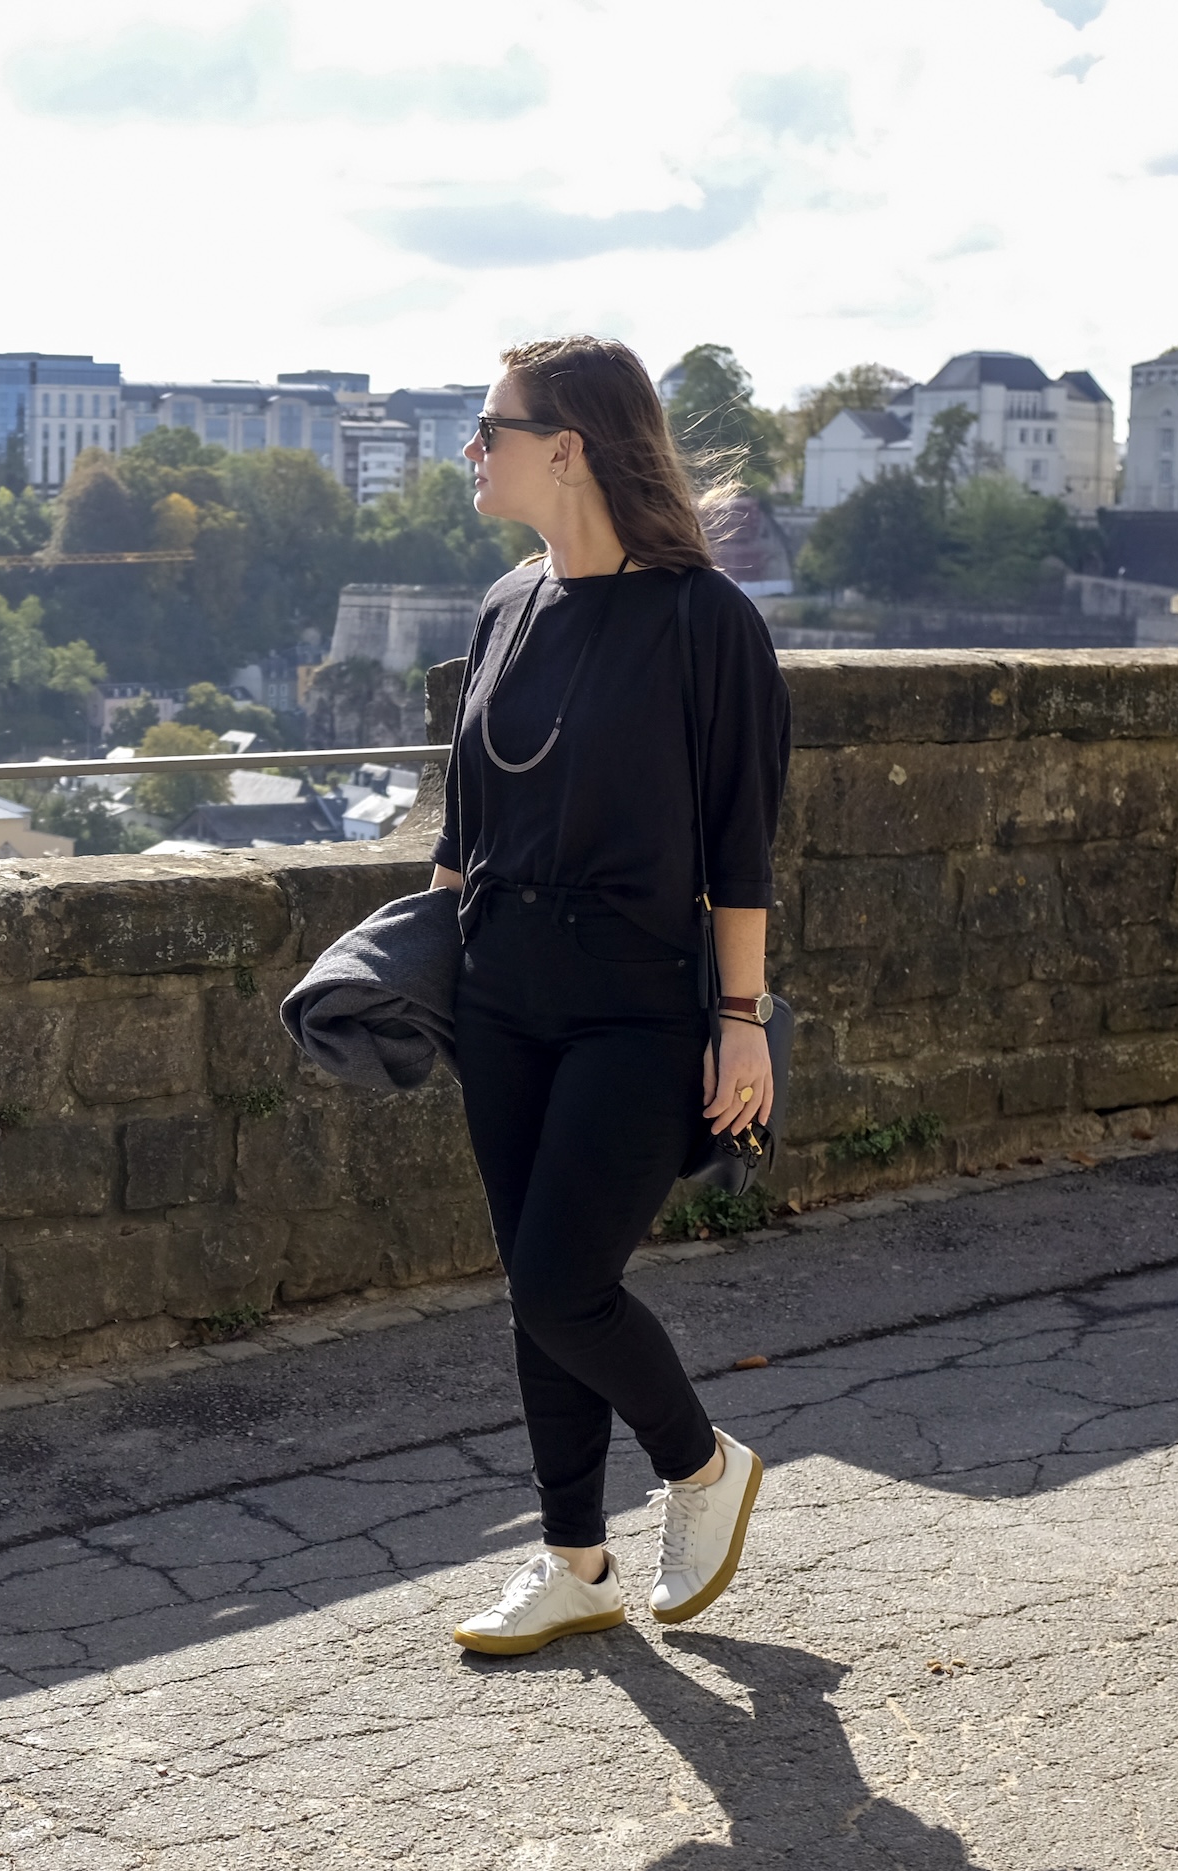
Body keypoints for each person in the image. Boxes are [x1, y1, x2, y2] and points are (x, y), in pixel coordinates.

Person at [434, 336, 791, 1657]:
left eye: (493, 427)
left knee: (561, 1283)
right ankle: (574, 1556)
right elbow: (462, 829)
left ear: (567, 447)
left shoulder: (707, 625)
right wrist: (413, 966)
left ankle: (700, 1470)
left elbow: (741, 843)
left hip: (637, 1008)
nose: (475, 451)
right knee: (537, 1286)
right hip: (500, 999)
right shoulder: (501, 608)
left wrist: (740, 1021)